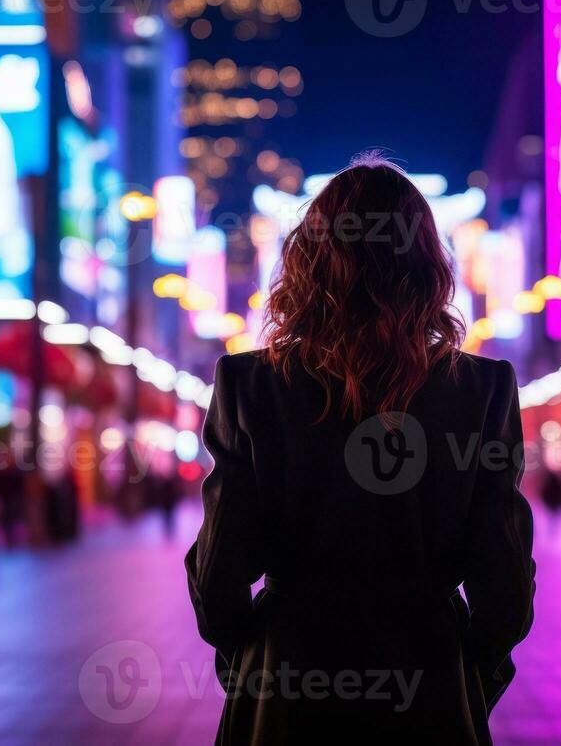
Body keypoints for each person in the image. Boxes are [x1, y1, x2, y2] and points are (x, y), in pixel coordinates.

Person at [186, 154, 535, 746]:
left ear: (305, 263)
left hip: (289, 684)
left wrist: (250, 667)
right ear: (429, 266)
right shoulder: (482, 389)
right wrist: (465, 676)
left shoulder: (250, 385)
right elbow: (504, 591)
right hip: (429, 683)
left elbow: (220, 577)